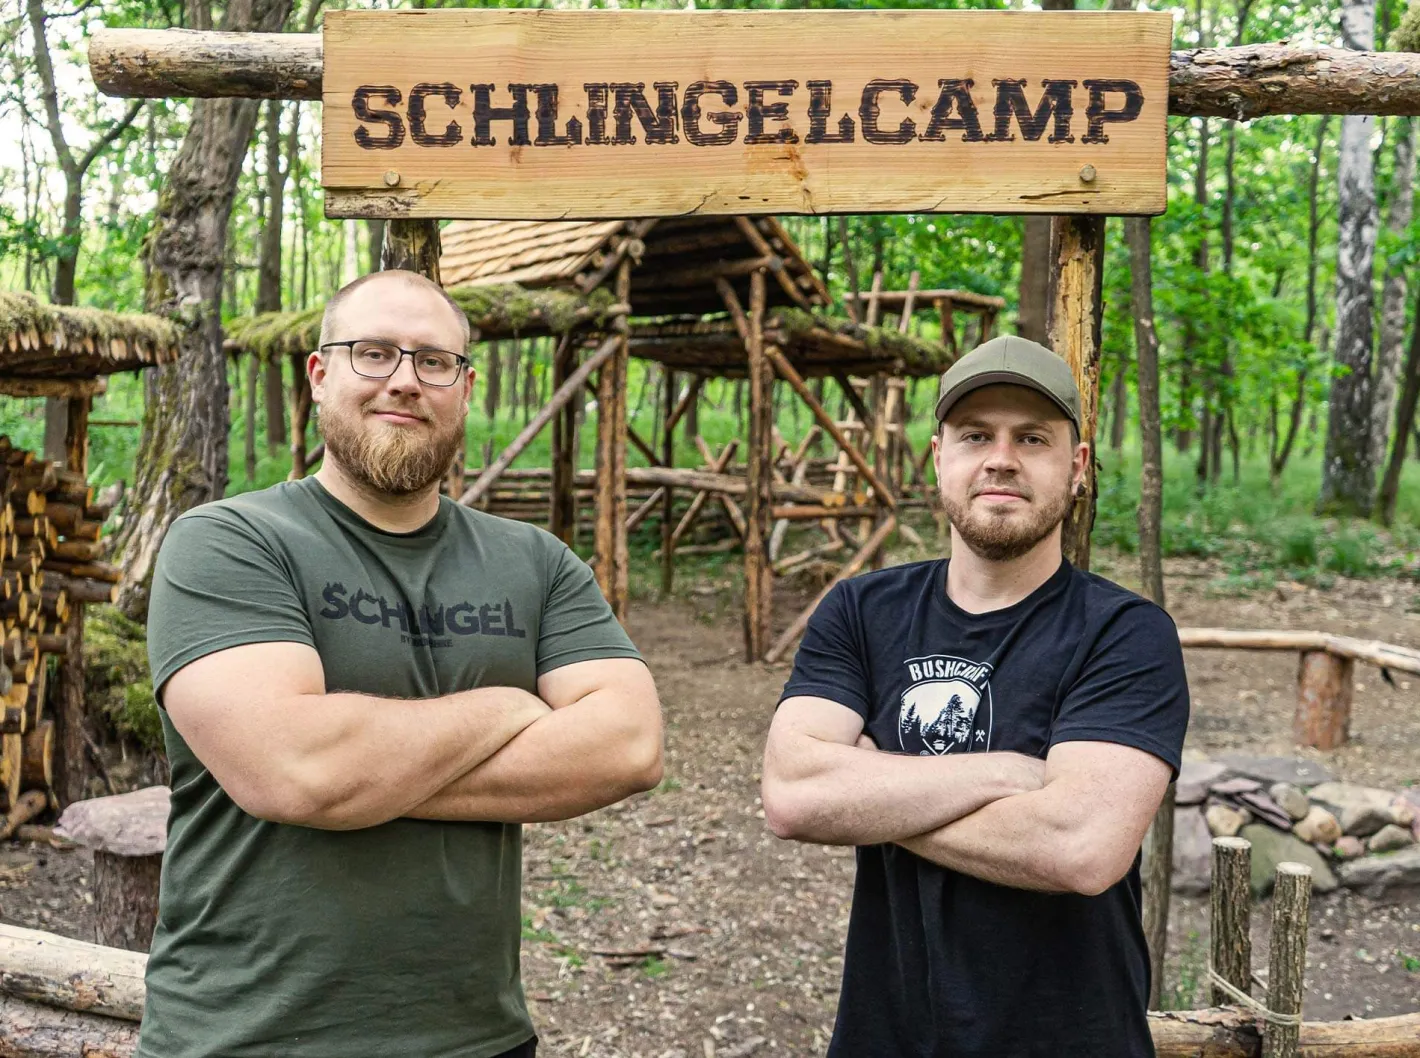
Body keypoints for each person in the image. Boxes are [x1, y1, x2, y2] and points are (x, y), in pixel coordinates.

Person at [142, 269, 663, 1058]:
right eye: (374, 352)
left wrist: (363, 777)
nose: (405, 381)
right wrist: (507, 708)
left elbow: (629, 746)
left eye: (434, 361)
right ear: (320, 375)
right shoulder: (228, 542)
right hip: (247, 1034)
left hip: (478, 1037)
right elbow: (295, 770)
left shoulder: (537, 562)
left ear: (465, 388)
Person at [761, 335, 1189, 1058]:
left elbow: (1079, 847)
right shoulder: (861, 612)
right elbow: (793, 797)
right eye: (975, 435)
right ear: (939, 457)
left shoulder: (1125, 633)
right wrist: (1008, 773)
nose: (1001, 459)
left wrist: (867, 792)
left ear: (1077, 467)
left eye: (1032, 438)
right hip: (885, 1036)